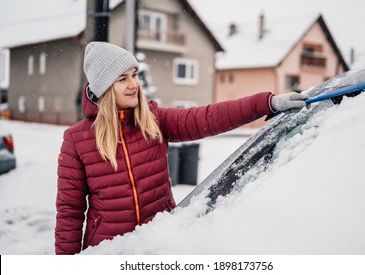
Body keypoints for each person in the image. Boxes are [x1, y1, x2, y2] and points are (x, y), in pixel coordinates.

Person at [55, 41, 307, 255]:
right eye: (122, 79)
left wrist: (266, 103)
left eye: (134, 75)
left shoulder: (152, 120)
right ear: (104, 89)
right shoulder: (77, 140)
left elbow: (209, 116)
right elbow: (70, 212)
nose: (134, 85)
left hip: (160, 245)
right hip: (110, 251)